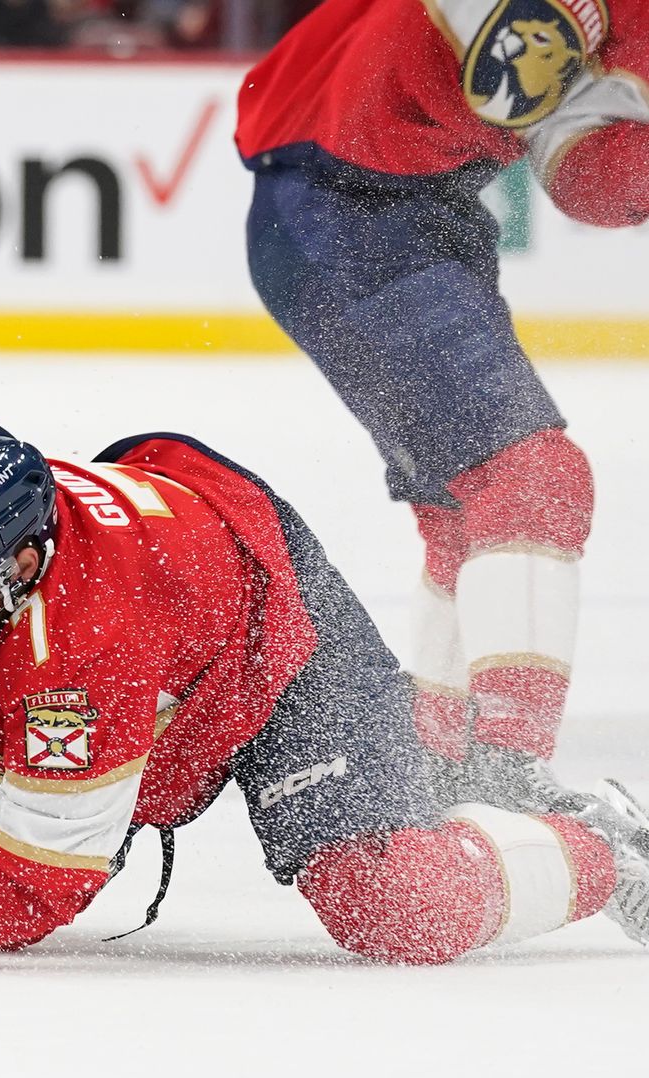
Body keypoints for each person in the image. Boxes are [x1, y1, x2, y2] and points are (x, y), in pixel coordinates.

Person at [0, 422, 649, 971]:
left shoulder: (90, 635)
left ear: (26, 557)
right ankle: (440, 769)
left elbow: (38, 878)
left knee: (390, 905)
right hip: (162, 603)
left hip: (267, 631)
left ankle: (599, 837)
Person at [235, 0, 649, 814]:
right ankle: (501, 773)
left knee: (471, 506)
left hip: (395, 206)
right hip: (348, 212)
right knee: (529, 483)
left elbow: (585, 172)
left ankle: (436, 760)